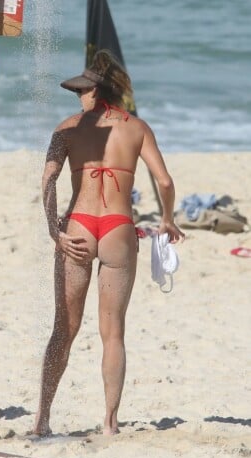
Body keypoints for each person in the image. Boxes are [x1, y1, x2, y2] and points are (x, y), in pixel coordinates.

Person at [33, 49, 184, 437]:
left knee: (63, 328)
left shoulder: (65, 129)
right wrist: (166, 220)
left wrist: (55, 230)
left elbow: (47, 181)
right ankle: (110, 423)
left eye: (81, 91)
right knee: (113, 330)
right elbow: (164, 182)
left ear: (94, 92)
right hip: (119, 227)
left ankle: (42, 418)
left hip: (79, 225)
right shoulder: (137, 127)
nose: (77, 98)